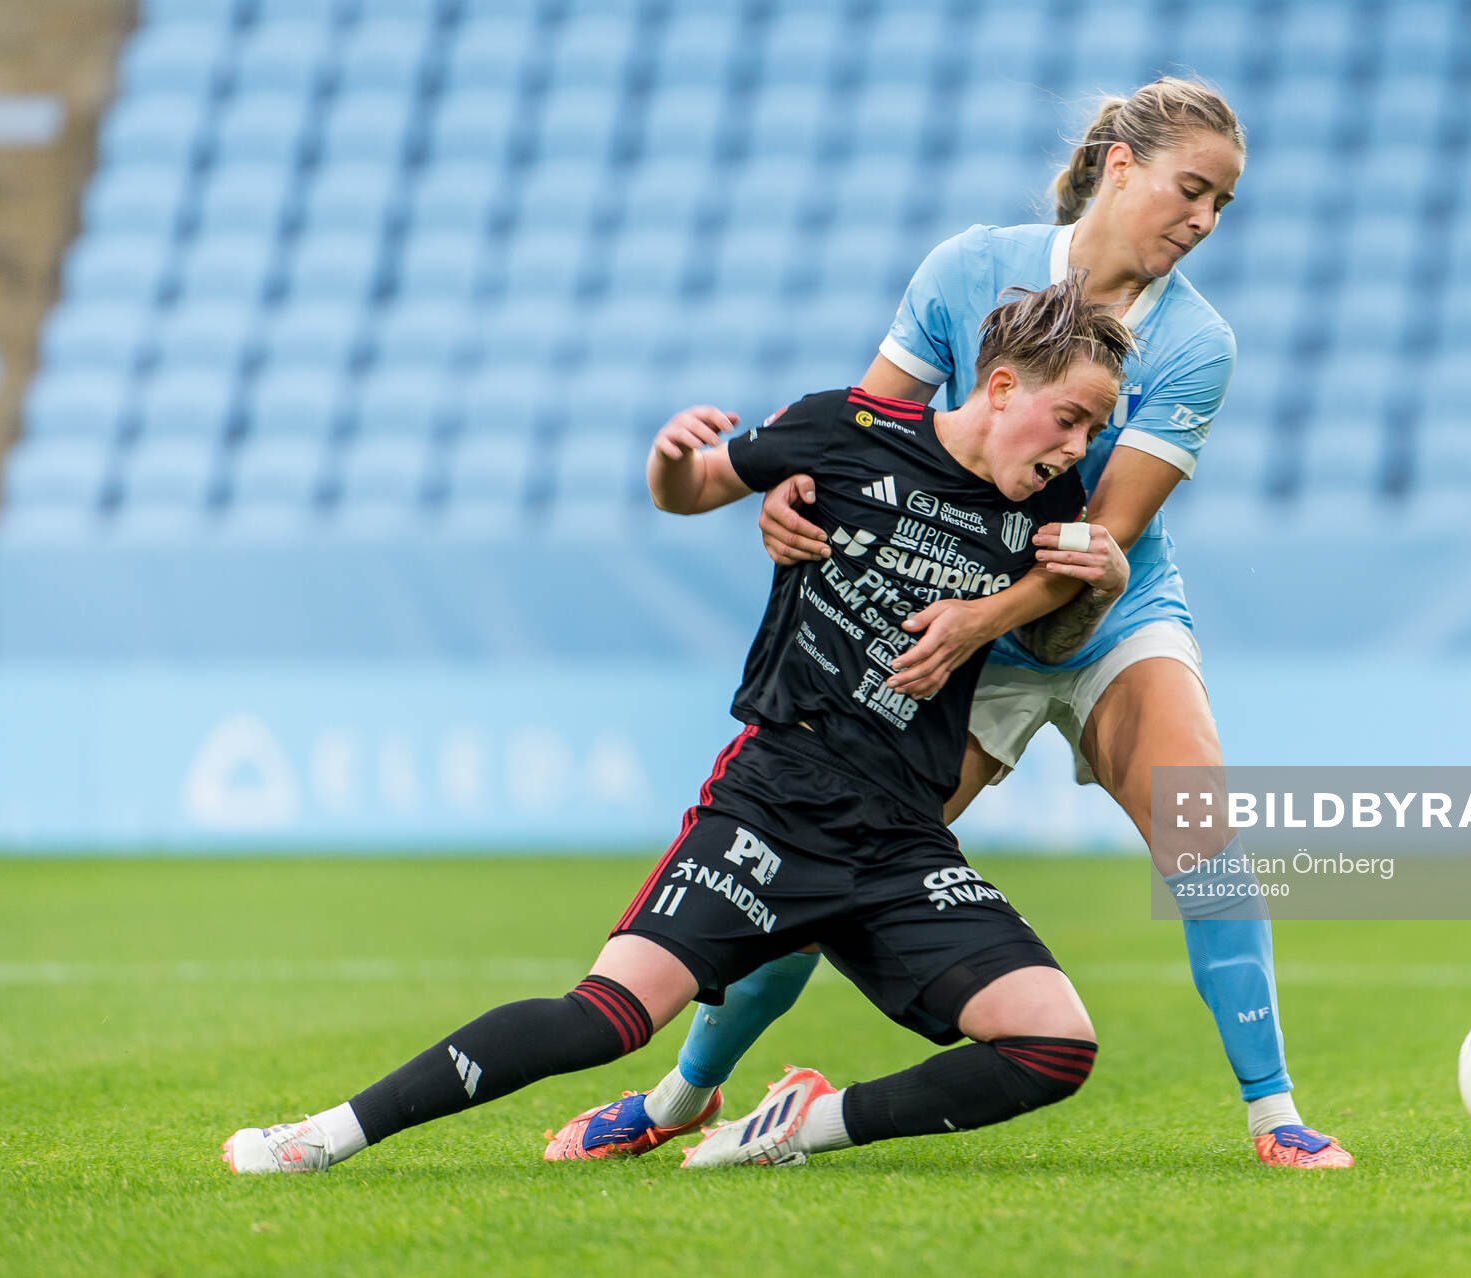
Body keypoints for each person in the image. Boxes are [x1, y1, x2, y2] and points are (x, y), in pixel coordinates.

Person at [576, 78, 1354, 1171]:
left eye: (1224, 204)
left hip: (1102, 613)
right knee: (822, 854)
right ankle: (682, 1096)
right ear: (1120, 166)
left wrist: (980, 616)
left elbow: (1097, 539)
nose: (1205, 222)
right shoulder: (967, 269)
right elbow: (867, 434)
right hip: (957, 615)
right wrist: (799, 498)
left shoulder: (1197, 344)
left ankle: (1276, 1119)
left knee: (1205, 833)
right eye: (1193, 190)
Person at [223, 278, 1137, 1173]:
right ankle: (323, 1137)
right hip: (777, 802)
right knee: (606, 1017)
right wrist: (669, 458)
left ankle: (802, 1126)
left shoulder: (1048, 508)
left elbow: (1054, 615)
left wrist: (1092, 585)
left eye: (1094, 429)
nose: (1080, 444)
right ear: (1004, 386)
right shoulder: (846, 430)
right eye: (1071, 418)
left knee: (1055, 1046)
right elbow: (695, 487)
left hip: (903, 835)